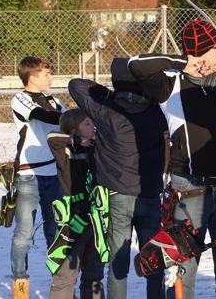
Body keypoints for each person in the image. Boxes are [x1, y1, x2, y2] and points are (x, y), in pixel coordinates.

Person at [128, 20, 216, 299]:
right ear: (204, 52)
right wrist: (184, 61)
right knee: (183, 267)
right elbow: (135, 64)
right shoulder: (171, 85)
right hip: (189, 188)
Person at [68, 58, 168, 299]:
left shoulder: (106, 110)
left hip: (117, 195)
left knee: (117, 265)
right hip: (150, 193)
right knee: (154, 263)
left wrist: (111, 93)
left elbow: (76, 85)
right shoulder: (157, 109)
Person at [10, 56, 65, 299]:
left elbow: (66, 123)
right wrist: (70, 117)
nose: (51, 78)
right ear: (32, 78)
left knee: (56, 233)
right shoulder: (21, 99)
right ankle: (20, 290)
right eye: (46, 74)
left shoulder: (54, 100)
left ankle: (61, 288)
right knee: (23, 234)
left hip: (54, 176)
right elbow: (45, 117)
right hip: (29, 176)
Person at [47, 109, 104, 299]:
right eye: (87, 124)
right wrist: (77, 141)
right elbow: (52, 137)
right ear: (74, 130)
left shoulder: (96, 147)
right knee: (65, 276)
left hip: (94, 218)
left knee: (94, 274)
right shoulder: (66, 150)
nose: (92, 126)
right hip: (73, 220)